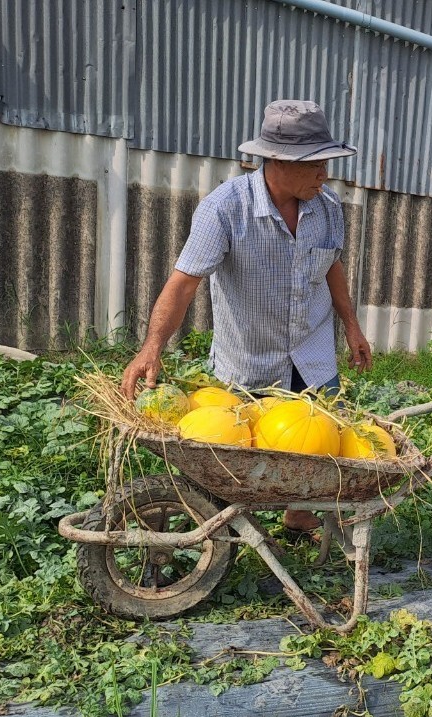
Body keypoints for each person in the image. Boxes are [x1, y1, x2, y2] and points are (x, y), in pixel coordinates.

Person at [121, 99, 373, 537]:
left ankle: (298, 514)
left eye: (325, 163)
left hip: (313, 357)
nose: (324, 174)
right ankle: (233, 529)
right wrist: (152, 347)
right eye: (314, 164)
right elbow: (184, 282)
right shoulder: (225, 208)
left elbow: (332, 266)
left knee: (316, 453)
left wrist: (351, 325)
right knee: (243, 458)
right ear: (277, 161)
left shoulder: (328, 207)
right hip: (250, 362)